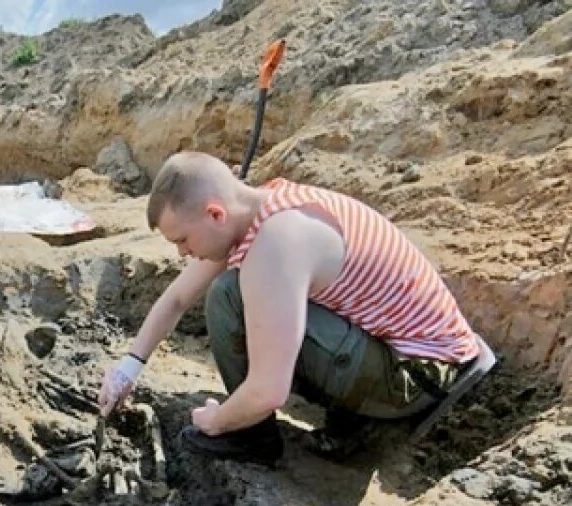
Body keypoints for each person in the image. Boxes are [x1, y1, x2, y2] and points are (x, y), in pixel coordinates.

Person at [98, 151, 488, 466]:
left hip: (420, 376)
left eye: (182, 240)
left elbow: (269, 390)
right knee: (235, 291)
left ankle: (250, 437)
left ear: (215, 213)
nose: (182, 252)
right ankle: (348, 415)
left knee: (230, 295)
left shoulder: (277, 243)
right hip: (413, 351)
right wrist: (128, 368)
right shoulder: (265, 209)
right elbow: (177, 298)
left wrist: (217, 420)